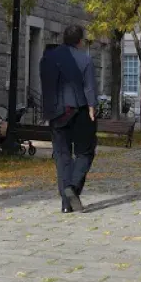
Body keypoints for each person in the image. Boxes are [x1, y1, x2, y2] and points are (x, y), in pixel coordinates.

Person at [39, 26, 98, 213]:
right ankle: (72, 187)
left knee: (62, 156)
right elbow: (89, 88)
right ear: (80, 41)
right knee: (85, 152)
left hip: (57, 111)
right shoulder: (85, 59)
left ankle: (66, 204)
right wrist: (92, 108)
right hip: (79, 109)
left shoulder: (48, 58)